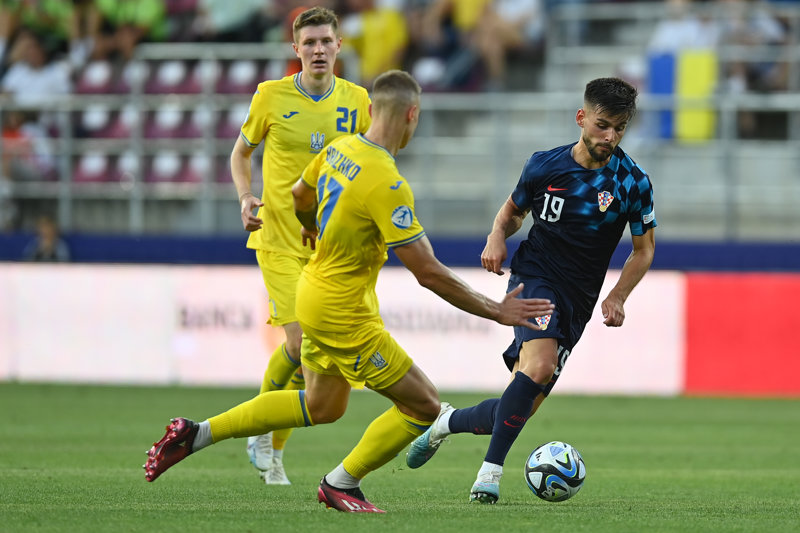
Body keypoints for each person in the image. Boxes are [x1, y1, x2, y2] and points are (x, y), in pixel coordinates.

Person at [142, 69, 555, 513]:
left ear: (371, 109)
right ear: (412, 115)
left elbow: (300, 194)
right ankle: (341, 483)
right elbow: (428, 272)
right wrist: (496, 310)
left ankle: (195, 433)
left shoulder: (340, 149)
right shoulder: (387, 183)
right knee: (424, 405)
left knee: (322, 405)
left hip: (312, 291)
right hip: (343, 312)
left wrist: (311, 227)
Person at [406, 77, 657, 504]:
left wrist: (618, 295)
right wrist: (495, 237)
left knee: (517, 405)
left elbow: (644, 249)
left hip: (578, 300)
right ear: (581, 118)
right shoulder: (545, 166)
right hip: (536, 277)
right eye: (602, 125)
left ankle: (445, 422)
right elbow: (512, 212)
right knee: (539, 367)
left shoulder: (632, 182)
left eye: (619, 128)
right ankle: (489, 475)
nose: (610, 137)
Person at [230, 6, 372, 485]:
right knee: (299, 342)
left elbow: (368, 162)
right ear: (296, 49)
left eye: (325, 41)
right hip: (278, 239)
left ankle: (271, 445)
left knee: (313, 358)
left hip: (329, 248)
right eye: (309, 42)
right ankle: (261, 432)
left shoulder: (358, 101)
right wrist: (245, 196)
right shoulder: (270, 96)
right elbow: (240, 153)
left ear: (339, 46)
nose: (318, 50)